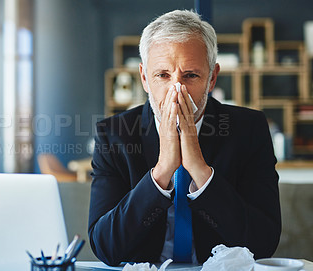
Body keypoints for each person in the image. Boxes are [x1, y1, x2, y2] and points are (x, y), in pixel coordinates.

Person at [88, 10, 281, 266]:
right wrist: (162, 171)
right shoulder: (114, 135)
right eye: (163, 75)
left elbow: (263, 243)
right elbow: (106, 247)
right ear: (145, 77)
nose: (176, 89)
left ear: (212, 78)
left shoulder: (249, 129)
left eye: (190, 75)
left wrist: (200, 171)